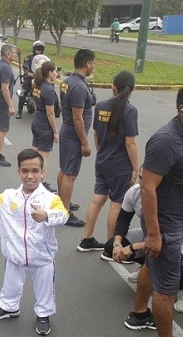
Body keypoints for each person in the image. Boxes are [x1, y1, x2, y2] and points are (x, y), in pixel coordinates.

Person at [0, 148, 68, 336]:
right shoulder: (9, 196)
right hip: (15, 254)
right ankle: (9, 308)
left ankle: (43, 315)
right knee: (10, 285)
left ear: (43, 173)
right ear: (18, 172)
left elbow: (63, 216)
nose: (30, 176)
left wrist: (47, 215)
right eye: (25, 171)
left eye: (35, 171)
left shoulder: (51, 199)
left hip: (42, 257)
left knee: (44, 288)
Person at [77, 71, 138, 251]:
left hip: (102, 160)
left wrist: (102, 152)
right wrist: (135, 168)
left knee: (97, 199)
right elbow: (130, 142)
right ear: (132, 89)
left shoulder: (101, 106)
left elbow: (96, 134)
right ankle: (111, 248)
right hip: (120, 166)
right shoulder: (130, 110)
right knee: (116, 204)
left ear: (114, 87)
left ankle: (86, 239)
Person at [141, 88, 183, 337]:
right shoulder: (166, 140)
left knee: (150, 266)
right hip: (165, 225)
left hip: (177, 218)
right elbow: (147, 187)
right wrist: (154, 234)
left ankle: (137, 312)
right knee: (167, 290)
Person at [56, 49, 96, 228]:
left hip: (67, 131)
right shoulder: (79, 87)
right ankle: (65, 213)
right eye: (92, 63)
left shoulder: (68, 81)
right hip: (74, 135)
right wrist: (85, 142)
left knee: (64, 170)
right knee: (70, 175)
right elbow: (77, 117)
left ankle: (63, 202)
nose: (93, 66)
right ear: (87, 63)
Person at [30, 61, 59, 193]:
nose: (57, 74)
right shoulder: (48, 90)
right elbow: (50, 113)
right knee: (43, 156)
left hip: (36, 121)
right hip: (44, 126)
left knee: (35, 153)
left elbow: (36, 104)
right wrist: (55, 131)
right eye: (55, 71)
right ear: (49, 73)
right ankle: (42, 183)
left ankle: (32, 178)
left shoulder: (38, 85)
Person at [16, 40, 45, 119]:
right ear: (33, 48)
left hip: (42, 78)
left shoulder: (45, 59)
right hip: (31, 77)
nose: (38, 49)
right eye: (37, 48)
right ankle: (19, 112)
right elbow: (26, 66)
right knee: (23, 93)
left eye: (40, 48)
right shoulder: (29, 58)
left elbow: (50, 66)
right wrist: (27, 72)